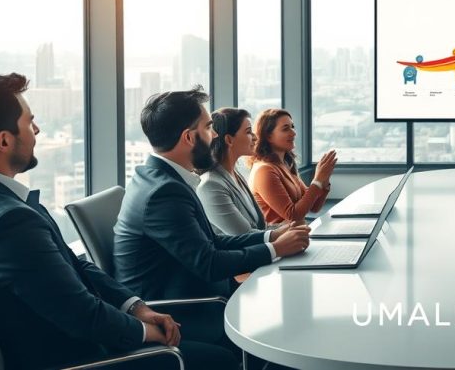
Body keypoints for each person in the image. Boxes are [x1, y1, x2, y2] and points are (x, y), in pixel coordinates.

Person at [0, 72, 218, 369]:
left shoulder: (3, 206)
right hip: (85, 359)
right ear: (4, 140)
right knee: (220, 357)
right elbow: (83, 315)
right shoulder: (11, 222)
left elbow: (76, 264)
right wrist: (146, 331)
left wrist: (135, 306)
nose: (37, 129)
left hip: (85, 343)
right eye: (29, 122)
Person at [114, 88, 311, 303]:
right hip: (185, 311)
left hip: (202, 293)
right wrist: (275, 249)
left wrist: (272, 236)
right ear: (188, 137)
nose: (215, 134)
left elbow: (211, 241)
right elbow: (209, 264)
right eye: (209, 127)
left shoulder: (163, 179)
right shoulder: (164, 194)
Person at [250, 108, 336, 226]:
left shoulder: (284, 165)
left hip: (295, 234)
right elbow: (293, 215)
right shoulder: (264, 171)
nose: (294, 133)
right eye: (286, 129)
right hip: (279, 240)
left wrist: (324, 180)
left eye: (292, 127)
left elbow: (314, 207)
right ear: (268, 136)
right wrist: (317, 180)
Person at [197, 107, 270, 234]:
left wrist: (289, 228)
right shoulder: (210, 185)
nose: (255, 138)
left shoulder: (236, 175)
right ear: (229, 140)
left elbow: (259, 226)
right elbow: (244, 235)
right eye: (248, 132)